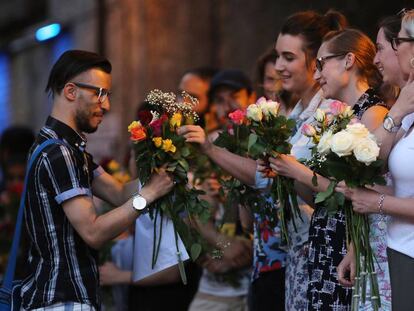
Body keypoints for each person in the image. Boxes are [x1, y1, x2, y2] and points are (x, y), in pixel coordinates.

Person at [178, 10, 348, 310]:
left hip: (324, 250)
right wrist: (210, 148)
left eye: (288, 58)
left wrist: (215, 151)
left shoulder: (333, 111)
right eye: (278, 57)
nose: (279, 66)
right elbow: (265, 176)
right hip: (293, 250)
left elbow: (332, 190)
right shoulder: (295, 114)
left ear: (316, 60)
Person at [20, 50, 174, 310]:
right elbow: (93, 232)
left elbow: (119, 194)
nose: (106, 105)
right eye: (99, 93)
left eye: (108, 95)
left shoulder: (67, 149)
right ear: (71, 91)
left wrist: (163, 168)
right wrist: (149, 194)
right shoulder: (60, 153)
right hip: (62, 299)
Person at [268, 28, 388, 310]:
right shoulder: (339, 117)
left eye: (321, 63)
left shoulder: (374, 114)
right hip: (326, 237)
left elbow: (357, 195)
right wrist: (287, 170)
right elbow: (320, 199)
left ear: (348, 60)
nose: (317, 74)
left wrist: (298, 170)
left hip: (349, 243)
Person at [336, 9, 414, 311]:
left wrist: (375, 203)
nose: (393, 51)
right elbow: (378, 167)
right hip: (397, 248)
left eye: (399, 42)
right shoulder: (404, 110)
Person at [188, 69, 255, 311]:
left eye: (234, 96)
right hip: (214, 287)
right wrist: (220, 256)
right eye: (219, 100)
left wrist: (240, 254)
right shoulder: (207, 146)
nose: (227, 106)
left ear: (252, 97)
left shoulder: (262, 142)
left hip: (256, 281)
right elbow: (193, 221)